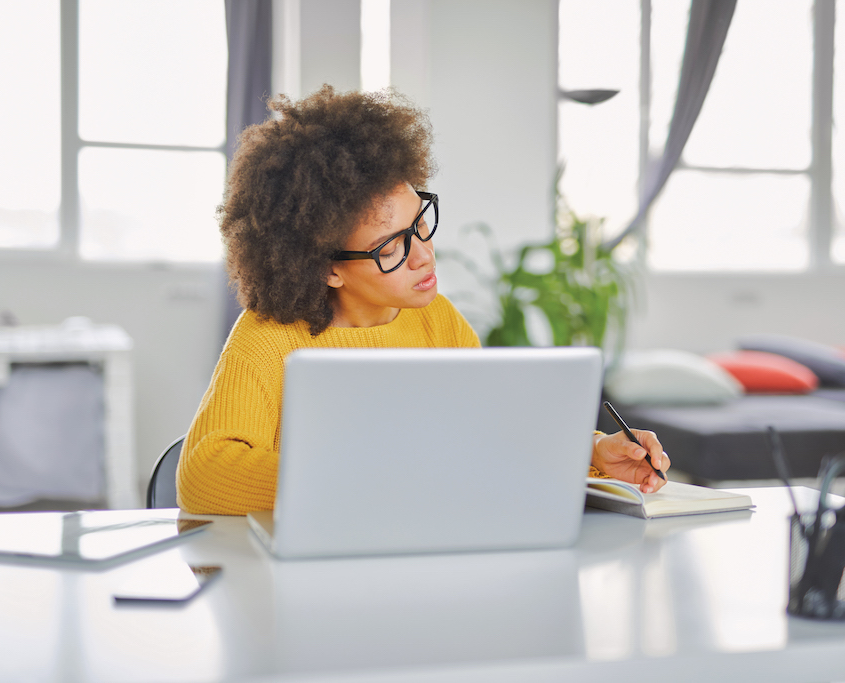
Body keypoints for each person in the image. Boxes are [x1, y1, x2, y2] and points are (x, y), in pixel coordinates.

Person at [176, 86, 668, 515]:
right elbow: (204, 475)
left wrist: (596, 453)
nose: (424, 255)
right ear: (326, 268)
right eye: (390, 246)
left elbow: (493, 437)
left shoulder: (438, 321)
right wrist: (376, 481)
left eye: (419, 222)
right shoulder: (270, 336)